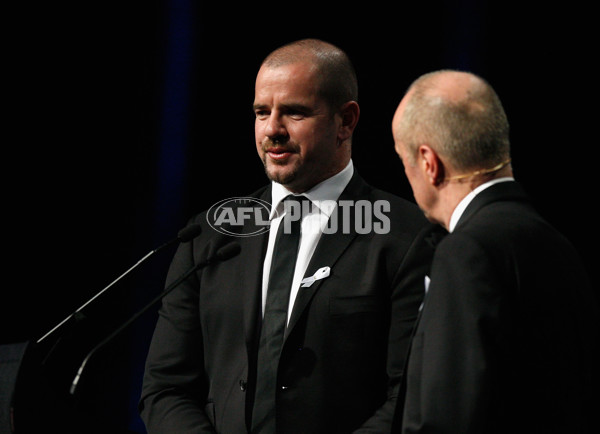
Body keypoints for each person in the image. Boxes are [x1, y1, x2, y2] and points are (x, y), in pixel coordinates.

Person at [139, 39, 436, 433]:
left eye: (294, 113)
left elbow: (411, 397)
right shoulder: (209, 235)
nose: (272, 130)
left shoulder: (406, 236)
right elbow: (164, 388)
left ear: (346, 120)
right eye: (262, 112)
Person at [390, 69, 598, 433]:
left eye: (402, 159)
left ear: (428, 162)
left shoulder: (466, 253)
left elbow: (448, 417)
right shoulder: (557, 244)